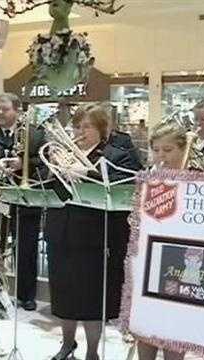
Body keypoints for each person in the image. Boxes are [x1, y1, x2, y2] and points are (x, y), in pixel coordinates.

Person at [46, 104, 141, 360]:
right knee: (64, 292)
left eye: (87, 126)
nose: (80, 131)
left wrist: (88, 171)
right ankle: (67, 344)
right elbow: (49, 188)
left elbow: (124, 189)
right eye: (77, 126)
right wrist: (55, 168)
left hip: (95, 237)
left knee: (90, 297)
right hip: (61, 231)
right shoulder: (63, 153)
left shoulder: (116, 155)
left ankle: (92, 352)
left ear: (102, 129)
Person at [136, 122, 189, 360]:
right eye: (156, 150)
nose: (161, 156)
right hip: (150, 258)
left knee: (176, 324)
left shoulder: (197, 179)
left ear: (182, 149)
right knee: (147, 322)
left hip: (183, 261)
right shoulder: (149, 179)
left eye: (168, 150)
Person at [0, 93, 47, 311]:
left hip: (26, 198)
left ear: (16, 110)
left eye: (4, 109)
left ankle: (27, 296)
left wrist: (22, 163)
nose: (0, 113)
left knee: (27, 249)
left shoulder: (34, 134)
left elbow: (45, 160)